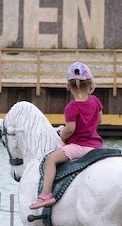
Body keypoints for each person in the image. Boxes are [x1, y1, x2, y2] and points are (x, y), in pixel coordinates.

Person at [29, 61, 103, 209]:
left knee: (50, 160)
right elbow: (100, 120)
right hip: (96, 146)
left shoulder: (72, 107)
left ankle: (46, 195)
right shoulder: (95, 101)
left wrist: (62, 136)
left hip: (78, 146)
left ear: (69, 86)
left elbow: (70, 129)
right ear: (90, 84)